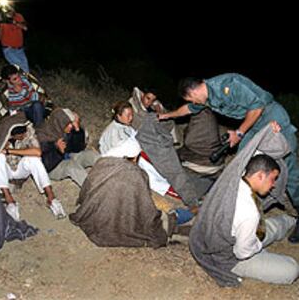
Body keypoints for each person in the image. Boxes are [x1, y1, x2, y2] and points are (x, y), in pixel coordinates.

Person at [159, 73, 299, 242]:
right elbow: (188, 109)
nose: (193, 103)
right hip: (253, 125)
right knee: (242, 163)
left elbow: (258, 107)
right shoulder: (206, 98)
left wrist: (239, 133)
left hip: (271, 118)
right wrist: (167, 116)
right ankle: (239, 206)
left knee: (289, 170)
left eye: (190, 100)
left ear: (192, 93)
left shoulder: (229, 84)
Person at [189, 122, 299, 286]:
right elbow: (242, 252)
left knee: (275, 226)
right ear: (260, 176)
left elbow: (255, 152)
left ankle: (292, 221)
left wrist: (269, 133)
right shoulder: (248, 212)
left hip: (234, 235)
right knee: (291, 269)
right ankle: (280, 231)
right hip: (230, 256)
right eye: (273, 179)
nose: (274, 185)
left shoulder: (235, 175)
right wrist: (258, 245)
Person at [70, 137, 168, 248]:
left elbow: (86, 188)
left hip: (91, 214)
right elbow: (144, 206)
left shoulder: (102, 163)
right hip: (116, 219)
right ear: (135, 157)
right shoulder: (135, 174)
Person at [0, 113, 66, 221]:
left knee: (34, 159)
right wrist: (1, 149)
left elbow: (37, 152)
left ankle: (51, 198)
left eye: (24, 133)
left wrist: (9, 151)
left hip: (19, 167)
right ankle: (10, 201)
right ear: (12, 135)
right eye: (20, 135)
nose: (24, 135)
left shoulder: (28, 130)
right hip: (4, 170)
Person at [36, 108, 100, 187]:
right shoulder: (42, 134)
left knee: (93, 155)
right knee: (71, 166)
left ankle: (112, 172)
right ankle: (92, 189)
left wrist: (77, 130)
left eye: (71, 123)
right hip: (53, 167)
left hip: (68, 156)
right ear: (60, 123)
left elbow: (78, 148)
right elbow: (46, 165)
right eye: (68, 123)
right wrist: (56, 148)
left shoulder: (66, 129)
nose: (71, 126)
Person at [0, 5, 29, 73]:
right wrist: (1, 24)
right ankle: (25, 83)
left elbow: (25, 28)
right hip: (8, 49)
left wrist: (14, 22)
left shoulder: (18, 16)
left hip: (20, 49)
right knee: (21, 68)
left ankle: (14, 83)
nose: (9, 10)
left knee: (25, 69)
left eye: (10, 7)